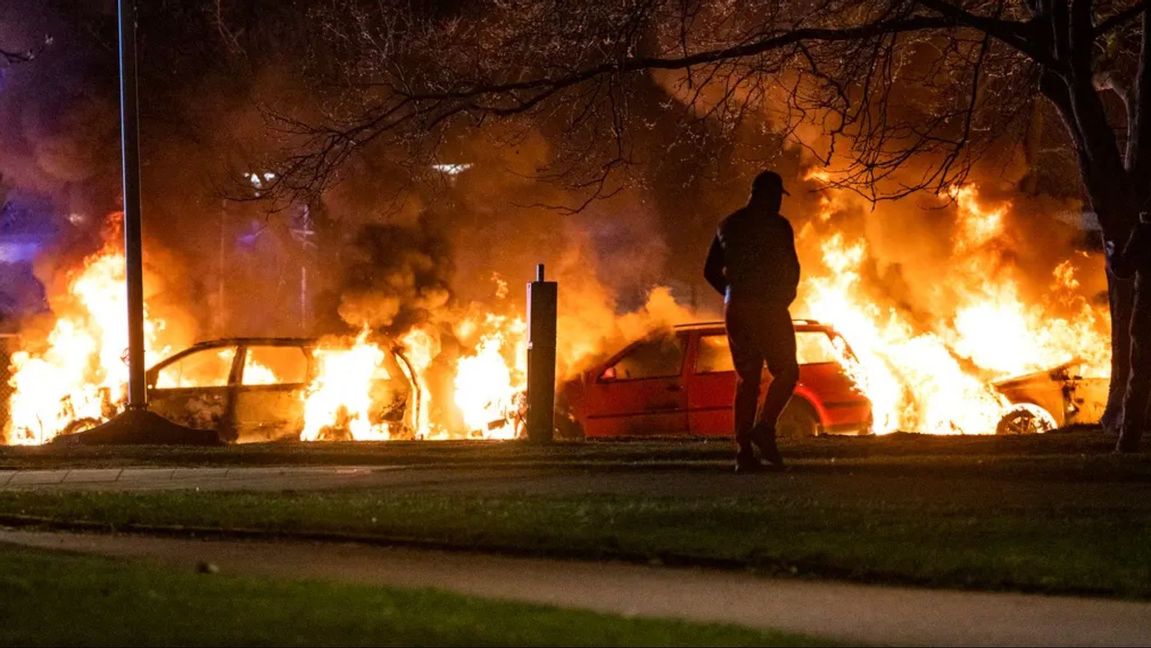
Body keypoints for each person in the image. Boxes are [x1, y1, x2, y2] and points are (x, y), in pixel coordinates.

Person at [703, 170, 800, 472]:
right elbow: (792, 269)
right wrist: (783, 299)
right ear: (767, 195)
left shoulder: (727, 225)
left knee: (747, 381)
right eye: (777, 197)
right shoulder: (779, 226)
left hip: (737, 308)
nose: (779, 204)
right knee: (787, 370)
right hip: (769, 306)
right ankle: (765, 427)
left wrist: (732, 296)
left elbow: (709, 270)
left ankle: (743, 452)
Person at [1111, 211, 1151, 453]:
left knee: (1139, 379)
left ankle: (1128, 443)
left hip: (1147, 314)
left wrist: (1114, 253)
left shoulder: (1144, 233)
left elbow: (1123, 270)